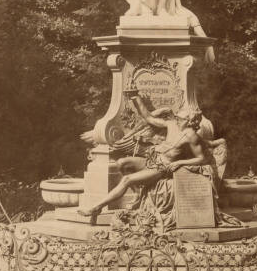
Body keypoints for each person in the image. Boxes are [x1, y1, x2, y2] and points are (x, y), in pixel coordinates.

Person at [78, 91, 207, 223]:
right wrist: (135, 97)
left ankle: (96, 207)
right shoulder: (171, 124)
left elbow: (202, 159)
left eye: (181, 118)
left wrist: (180, 163)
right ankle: (137, 194)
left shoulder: (191, 136)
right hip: (152, 159)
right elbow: (148, 118)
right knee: (122, 162)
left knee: (127, 179)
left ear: (190, 121)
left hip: (162, 168)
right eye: (178, 117)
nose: (177, 119)